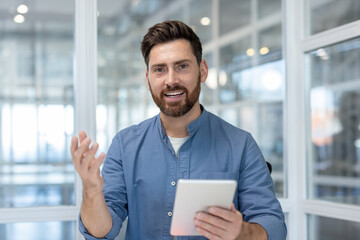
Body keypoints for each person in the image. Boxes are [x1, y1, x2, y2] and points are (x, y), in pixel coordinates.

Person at [71, 20, 287, 240]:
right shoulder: (125, 145)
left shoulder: (241, 145)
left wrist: (242, 232)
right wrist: (91, 190)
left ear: (202, 71)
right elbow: (100, 232)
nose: (171, 80)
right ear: (148, 79)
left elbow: (274, 227)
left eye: (182, 66)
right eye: (159, 70)